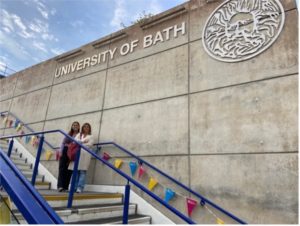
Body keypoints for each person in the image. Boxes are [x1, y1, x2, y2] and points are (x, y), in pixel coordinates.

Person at [69, 122, 94, 193]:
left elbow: (90, 144)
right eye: (85, 126)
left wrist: (80, 142)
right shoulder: (78, 134)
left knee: (83, 171)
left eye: (87, 127)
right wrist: (83, 142)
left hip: (85, 155)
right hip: (77, 154)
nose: (86, 128)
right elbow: (74, 142)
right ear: (82, 128)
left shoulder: (91, 136)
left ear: (89, 128)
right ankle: (74, 187)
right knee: (75, 171)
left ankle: (80, 188)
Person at [57, 121, 80, 192]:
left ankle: (66, 187)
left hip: (73, 153)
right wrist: (61, 151)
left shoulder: (80, 135)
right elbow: (63, 143)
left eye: (76, 125)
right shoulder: (69, 134)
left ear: (79, 127)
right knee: (62, 168)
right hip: (65, 151)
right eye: (74, 125)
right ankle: (60, 186)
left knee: (69, 170)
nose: (75, 126)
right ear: (72, 126)